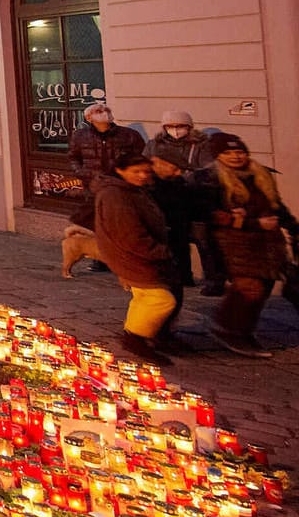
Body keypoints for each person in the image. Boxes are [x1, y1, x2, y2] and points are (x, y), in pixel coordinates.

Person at [199, 133, 292, 358]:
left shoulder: (259, 174)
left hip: (267, 242)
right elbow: (210, 213)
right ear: (218, 156)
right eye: (228, 153)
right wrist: (251, 222)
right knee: (250, 287)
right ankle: (229, 330)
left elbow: (275, 205)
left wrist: (292, 227)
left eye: (239, 152)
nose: (235, 157)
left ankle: (241, 330)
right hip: (234, 243)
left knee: (264, 287)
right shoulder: (210, 179)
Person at [93, 153, 178, 366]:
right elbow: (129, 233)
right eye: (136, 172)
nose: (142, 176)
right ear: (120, 170)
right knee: (161, 299)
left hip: (135, 253)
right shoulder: (115, 195)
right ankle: (135, 337)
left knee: (143, 296)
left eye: (146, 172)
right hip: (133, 254)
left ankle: (138, 334)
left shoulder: (131, 190)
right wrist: (157, 251)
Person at [149, 111, 224, 294]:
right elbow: (148, 164)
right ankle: (183, 276)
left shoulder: (201, 145)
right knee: (176, 241)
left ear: (189, 127)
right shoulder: (155, 145)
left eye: (180, 126)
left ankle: (214, 281)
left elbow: (210, 170)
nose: (175, 130)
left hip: (197, 199)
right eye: (170, 126)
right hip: (170, 199)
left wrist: (188, 177)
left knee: (204, 242)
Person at [68, 102, 146, 193]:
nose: (105, 113)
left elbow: (141, 156)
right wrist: (81, 173)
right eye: (99, 111)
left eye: (107, 110)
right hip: (92, 183)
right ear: (89, 118)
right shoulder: (80, 135)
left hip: (122, 184)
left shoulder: (129, 134)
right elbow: (73, 157)